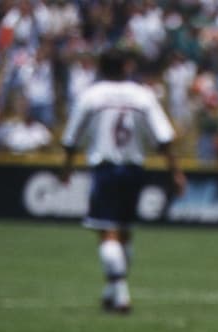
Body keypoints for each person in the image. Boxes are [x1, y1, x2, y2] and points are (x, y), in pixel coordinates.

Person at [59, 46, 186, 314]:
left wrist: (66, 168)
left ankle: (120, 294)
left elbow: (71, 139)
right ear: (127, 67)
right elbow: (164, 138)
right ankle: (111, 290)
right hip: (134, 169)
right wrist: (175, 171)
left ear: (101, 68)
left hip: (105, 168)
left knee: (107, 232)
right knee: (124, 232)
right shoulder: (143, 96)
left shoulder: (91, 96)